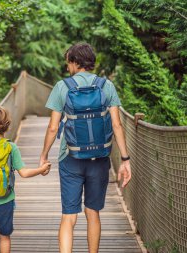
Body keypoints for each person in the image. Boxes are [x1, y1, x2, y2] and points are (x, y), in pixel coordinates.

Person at [39, 42, 132, 253]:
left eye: (68, 63)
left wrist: (44, 155)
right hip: (99, 158)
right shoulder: (107, 86)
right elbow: (117, 124)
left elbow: (53, 127)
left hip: (70, 158)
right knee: (93, 213)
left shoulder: (62, 87)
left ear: (74, 62)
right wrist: (125, 160)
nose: (67, 68)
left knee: (69, 216)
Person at [0, 105, 51, 253]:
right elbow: (24, 173)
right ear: (7, 125)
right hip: (5, 201)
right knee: (4, 237)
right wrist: (41, 169)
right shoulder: (11, 147)